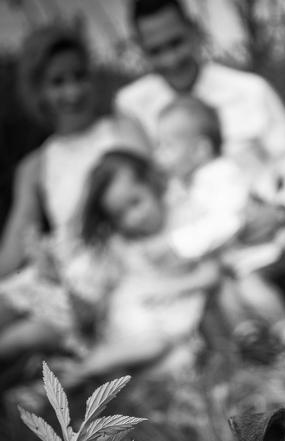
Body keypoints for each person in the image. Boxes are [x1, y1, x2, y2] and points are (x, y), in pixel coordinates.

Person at [116, 0, 285, 325]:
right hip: (205, 263)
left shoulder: (248, 90)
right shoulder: (132, 106)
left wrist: (281, 211)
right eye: (156, 50)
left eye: (176, 43)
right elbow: (140, 186)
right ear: (141, 50)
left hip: (272, 243)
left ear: (195, 32)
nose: (170, 59)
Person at [0, 24, 149, 360]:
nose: (73, 91)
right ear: (39, 91)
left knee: (22, 338)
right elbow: (13, 249)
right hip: (59, 271)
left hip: (110, 270)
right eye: (58, 82)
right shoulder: (35, 165)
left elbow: (150, 198)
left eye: (79, 76)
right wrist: (39, 254)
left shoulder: (121, 129)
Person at [157, 95, 285, 349]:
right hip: (233, 261)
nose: (159, 155)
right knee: (226, 293)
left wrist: (181, 244)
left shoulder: (221, 176)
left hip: (257, 254)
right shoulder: (191, 182)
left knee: (252, 289)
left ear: (200, 150)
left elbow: (227, 221)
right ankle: (250, 336)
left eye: (167, 147)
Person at [59, 149, 220, 386]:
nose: (134, 218)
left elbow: (211, 273)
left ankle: (96, 373)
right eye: (120, 215)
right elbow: (101, 287)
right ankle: (91, 367)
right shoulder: (122, 243)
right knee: (155, 346)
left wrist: (172, 288)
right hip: (138, 318)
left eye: (136, 202)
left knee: (179, 361)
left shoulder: (185, 219)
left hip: (171, 313)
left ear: (152, 183)